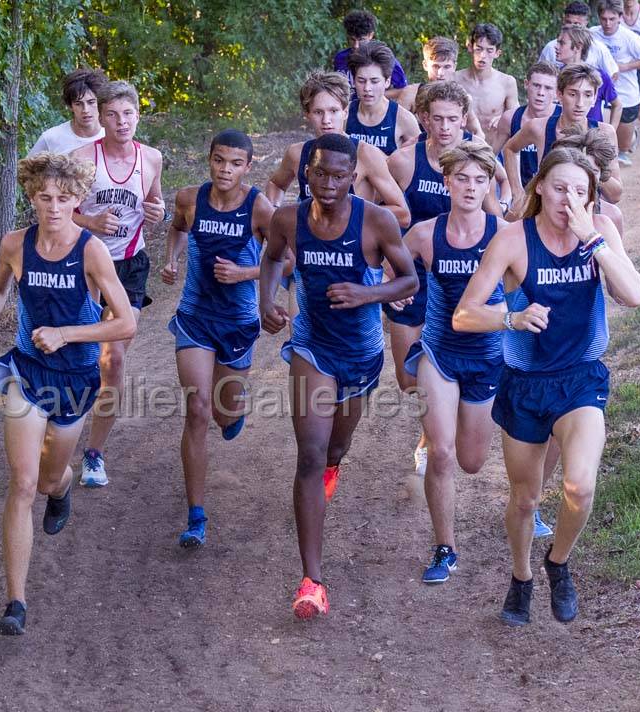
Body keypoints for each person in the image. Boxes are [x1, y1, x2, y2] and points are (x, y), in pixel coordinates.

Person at [453, 145, 640, 627]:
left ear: (591, 196)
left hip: (580, 376)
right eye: (559, 188)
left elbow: (635, 294)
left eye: (580, 192)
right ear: (540, 187)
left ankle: (557, 563)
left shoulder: (598, 232)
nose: (568, 200)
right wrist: (511, 317)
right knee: (526, 498)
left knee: (579, 484)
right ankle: (521, 578)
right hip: (527, 383)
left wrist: (593, 240)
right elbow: (464, 314)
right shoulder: (514, 239)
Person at [0, 153, 137, 636]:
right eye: (45, 198)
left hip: (76, 376)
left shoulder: (91, 251)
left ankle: (61, 489)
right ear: (31, 197)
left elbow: (124, 322)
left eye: (64, 199)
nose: (55, 207)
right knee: (21, 484)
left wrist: (66, 334)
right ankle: (15, 603)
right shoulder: (16, 244)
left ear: (79, 199)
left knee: (46, 479)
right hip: (27, 370)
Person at [258, 133, 419, 619]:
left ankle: (332, 467)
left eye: (339, 174)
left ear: (355, 177)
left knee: (334, 449)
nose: (328, 183)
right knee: (308, 453)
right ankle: (312, 581)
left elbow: (409, 279)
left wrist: (367, 294)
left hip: (363, 353)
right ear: (307, 172)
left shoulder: (377, 221)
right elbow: (270, 258)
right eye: (320, 172)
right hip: (312, 346)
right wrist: (267, 299)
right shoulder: (288, 220)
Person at [161, 130, 274, 548]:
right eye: (219, 160)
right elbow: (176, 229)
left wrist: (245, 273)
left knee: (224, 413)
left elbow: (284, 260)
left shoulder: (259, 208)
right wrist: (171, 259)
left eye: (235, 163)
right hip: (195, 317)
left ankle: (233, 415)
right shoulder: (190, 199)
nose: (225, 170)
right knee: (196, 408)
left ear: (248, 165)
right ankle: (196, 515)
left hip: (238, 322)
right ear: (208, 159)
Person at [400, 141, 508, 583]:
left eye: (479, 179)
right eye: (461, 177)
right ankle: (444, 547)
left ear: (488, 185)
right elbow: (394, 270)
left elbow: (527, 279)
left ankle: (439, 438)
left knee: (471, 461)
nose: (469, 186)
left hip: (486, 358)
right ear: (446, 181)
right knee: (442, 454)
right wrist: (401, 289)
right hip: (438, 352)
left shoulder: (503, 232)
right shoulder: (426, 233)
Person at [387, 82, 508, 474]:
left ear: (463, 120)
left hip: (467, 277)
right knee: (408, 382)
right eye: (435, 118)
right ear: (423, 118)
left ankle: (440, 422)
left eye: (451, 119)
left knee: (470, 459)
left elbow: (494, 200)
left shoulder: (478, 160)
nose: (443, 126)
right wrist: (391, 290)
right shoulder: (405, 160)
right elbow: (379, 204)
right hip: (420, 271)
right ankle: (437, 426)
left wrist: (505, 207)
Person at [70, 81, 166, 487]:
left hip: (130, 264)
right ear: (101, 118)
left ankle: (94, 454)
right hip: (85, 266)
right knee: (83, 362)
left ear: (138, 116)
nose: (121, 122)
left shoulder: (152, 158)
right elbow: (61, 210)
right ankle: (60, 427)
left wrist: (157, 211)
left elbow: (156, 202)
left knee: (113, 360)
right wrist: (89, 221)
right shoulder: (81, 158)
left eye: (128, 114)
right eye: (112, 114)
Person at [265, 70, 410, 228]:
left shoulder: (365, 154)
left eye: (333, 111)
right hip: (309, 246)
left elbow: (403, 214)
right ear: (307, 114)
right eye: (318, 112)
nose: (326, 120)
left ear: (345, 112)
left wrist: (352, 213)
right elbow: (276, 184)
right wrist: (274, 214)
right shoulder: (297, 154)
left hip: (353, 246)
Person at [503, 64, 623, 209]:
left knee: (615, 216)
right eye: (573, 94)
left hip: (587, 212)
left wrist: (595, 170)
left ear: (595, 97)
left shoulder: (605, 133)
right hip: (544, 212)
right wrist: (517, 193)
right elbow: (510, 148)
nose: (579, 103)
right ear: (559, 94)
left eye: (587, 95)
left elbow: (616, 195)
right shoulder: (539, 128)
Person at [589, 0, 640, 165]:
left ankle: (632, 135)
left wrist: (625, 66)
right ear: (598, 17)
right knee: (603, 142)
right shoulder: (591, 34)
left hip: (626, 94)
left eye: (612, 19)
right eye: (603, 19)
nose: (607, 23)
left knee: (623, 150)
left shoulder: (629, 37)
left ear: (620, 17)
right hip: (601, 96)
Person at [396, 37, 487, 140]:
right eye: (436, 66)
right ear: (425, 65)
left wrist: (469, 153)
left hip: (451, 154)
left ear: (454, 67)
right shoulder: (410, 95)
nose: (440, 73)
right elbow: (394, 131)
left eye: (446, 67)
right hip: (417, 152)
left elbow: (478, 133)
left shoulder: (462, 97)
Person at [491, 62, 559, 189]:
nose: (541, 93)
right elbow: (489, 157)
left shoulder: (563, 118)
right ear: (526, 84)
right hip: (519, 193)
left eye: (548, 88)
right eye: (536, 85)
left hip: (553, 192)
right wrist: (506, 184)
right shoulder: (510, 118)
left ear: (556, 93)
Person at [345, 41, 421, 155]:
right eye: (361, 81)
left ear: (387, 82)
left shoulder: (403, 119)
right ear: (353, 81)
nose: (367, 88)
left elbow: (420, 160)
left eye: (374, 81)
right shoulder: (344, 114)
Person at [453, 23, 520, 144]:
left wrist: (503, 119)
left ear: (497, 53)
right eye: (479, 49)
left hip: (492, 151)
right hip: (459, 151)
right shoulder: (454, 80)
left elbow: (517, 122)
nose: (483, 55)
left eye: (489, 50)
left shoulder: (507, 83)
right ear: (470, 47)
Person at [27, 68, 108, 155]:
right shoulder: (51, 138)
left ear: (100, 103)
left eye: (91, 102)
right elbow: (26, 167)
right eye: (78, 104)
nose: (85, 110)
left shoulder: (112, 135)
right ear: (70, 106)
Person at [331, 8, 407, 98]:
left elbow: (404, 90)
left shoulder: (384, 60)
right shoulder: (340, 58)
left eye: (361, 40)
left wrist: (371, 95)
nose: (356, 45)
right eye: (352, 39)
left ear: (371, 35)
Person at [556, 24, 621, 126]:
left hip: (592, 137)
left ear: (578, 47)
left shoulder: (598, 76)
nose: (556, 47)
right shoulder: (555, 75)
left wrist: (610, 134)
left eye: (562, 43)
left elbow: (617, 105)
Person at [540, 1, 620, 80]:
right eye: (568, 22)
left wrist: (596, 90)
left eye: (577, 24)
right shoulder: (551, 48)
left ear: (586, 23)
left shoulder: (598, 48)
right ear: (564, 20)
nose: (571, 27)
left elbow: (613, 73)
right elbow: (540, 75)